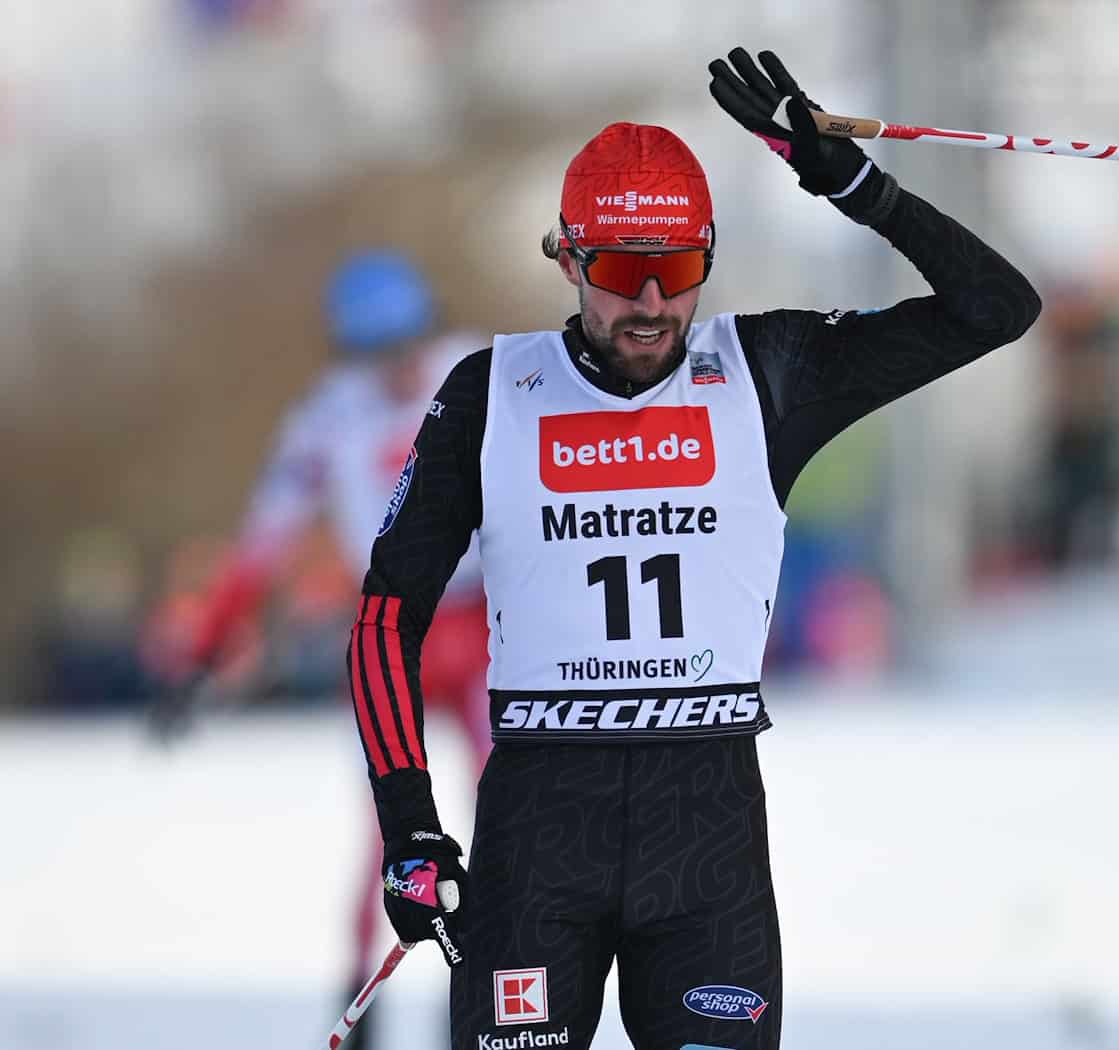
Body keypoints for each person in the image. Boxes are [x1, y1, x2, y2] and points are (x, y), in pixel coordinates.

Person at [356, 49, 1040, 1050]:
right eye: (620, 273)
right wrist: (408, 824)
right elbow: (382, 619)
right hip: (539, 833)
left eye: (673, 272)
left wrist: (854, 187)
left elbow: (997, 308)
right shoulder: (491, 392)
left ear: (704, 260)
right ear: (566, 258)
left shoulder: (769, 370)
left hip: (704, 834)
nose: (648, 305)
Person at [148, 250, 493, 1049]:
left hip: (485, 627)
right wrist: (204, 653)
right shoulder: (328, 414)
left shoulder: (480, 371)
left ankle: (485, 993)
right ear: (352, 352)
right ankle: (361, 1006)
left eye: (408, 343)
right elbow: (260, 546)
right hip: (391, 636)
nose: (399, 368)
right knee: (390, 831)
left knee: (503, 812)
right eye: (378, 353)